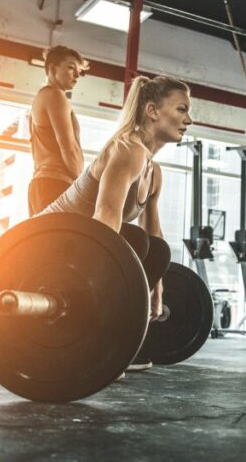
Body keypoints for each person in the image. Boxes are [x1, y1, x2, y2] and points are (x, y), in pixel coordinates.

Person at [40, 75, 193, 370]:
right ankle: (98, 337)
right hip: (44, 241)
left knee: (154, 247)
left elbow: (156, 239)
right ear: (152, 111)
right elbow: (105, 219)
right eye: (181, 109)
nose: (188, 120)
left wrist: (156, 289)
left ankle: (120, 339)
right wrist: (95, 293)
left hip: (77, 243)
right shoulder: (128, 150)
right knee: (133, 241)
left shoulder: (153, 170)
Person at [28, 46, 90, 215]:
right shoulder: (55, 95)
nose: (77, 76)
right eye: (71, 68)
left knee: (44, 241)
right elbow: (68, 148)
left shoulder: (42, 97)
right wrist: (83, 189)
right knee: (60, 241)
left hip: (42, 184)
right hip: (55, 183)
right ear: (52, 68)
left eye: (78, 70)